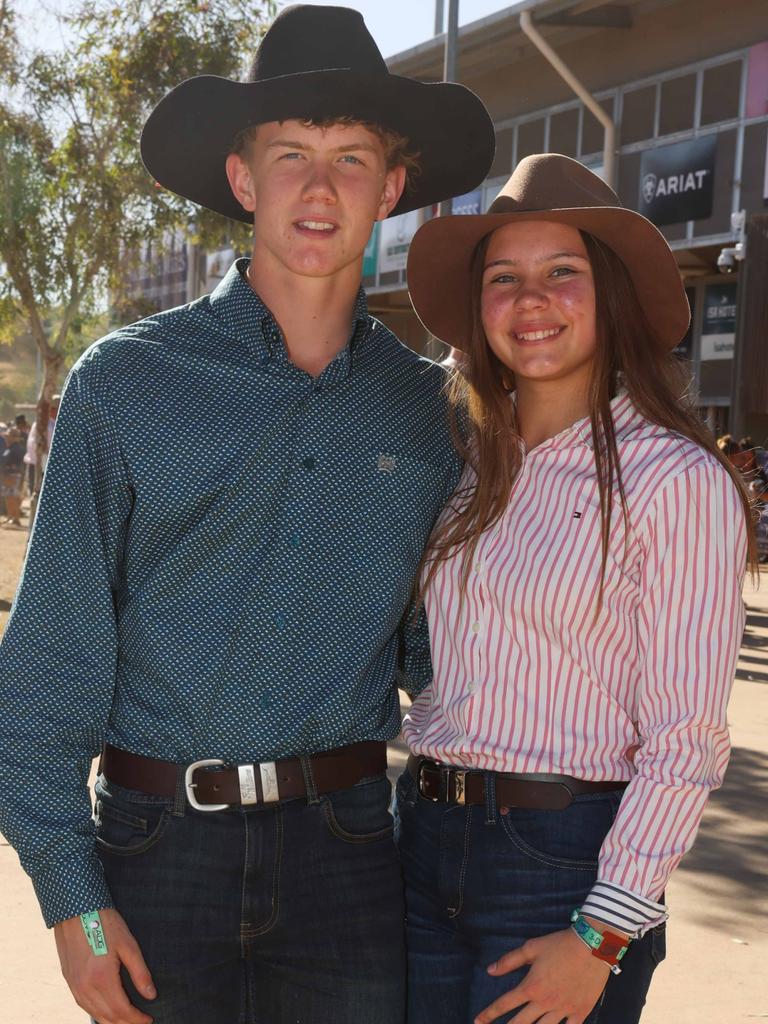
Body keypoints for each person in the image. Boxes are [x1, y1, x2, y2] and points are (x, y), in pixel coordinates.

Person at [0, 7, 494, 1024]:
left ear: (392, 188)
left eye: (352, 158)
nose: (320, 188)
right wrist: (73, 905)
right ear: (242, 179)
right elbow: (46, 673)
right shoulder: (124, 386)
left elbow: (445, 653)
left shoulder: (430, 410)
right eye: (291, 156)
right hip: (156, 848)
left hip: (350, 854)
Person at [397, 153, 754, 1024]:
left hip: (561, 862)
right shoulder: (470, 467)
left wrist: (604, 932)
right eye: (505, 278)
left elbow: (687, 738)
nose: (530, 301)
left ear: (612, 297)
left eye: (564, 273)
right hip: (424, 840)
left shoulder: (674, 481)